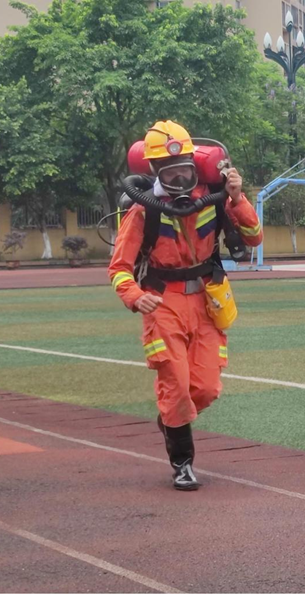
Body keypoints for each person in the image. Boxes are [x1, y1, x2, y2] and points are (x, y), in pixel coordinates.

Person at [108, 120, 263, 490]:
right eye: (170, 172)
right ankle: (183, 463)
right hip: (163, 303)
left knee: (206, 388)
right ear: (154, 170)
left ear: (195, 164)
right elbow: (119, 268)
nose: (179, 178)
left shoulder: (216, 198)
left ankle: (170, 420)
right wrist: (135, 296)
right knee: (176, 385)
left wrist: (237, 198)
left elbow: (254, 238)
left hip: (207, 300)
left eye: (185, 170)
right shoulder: (143, 210)